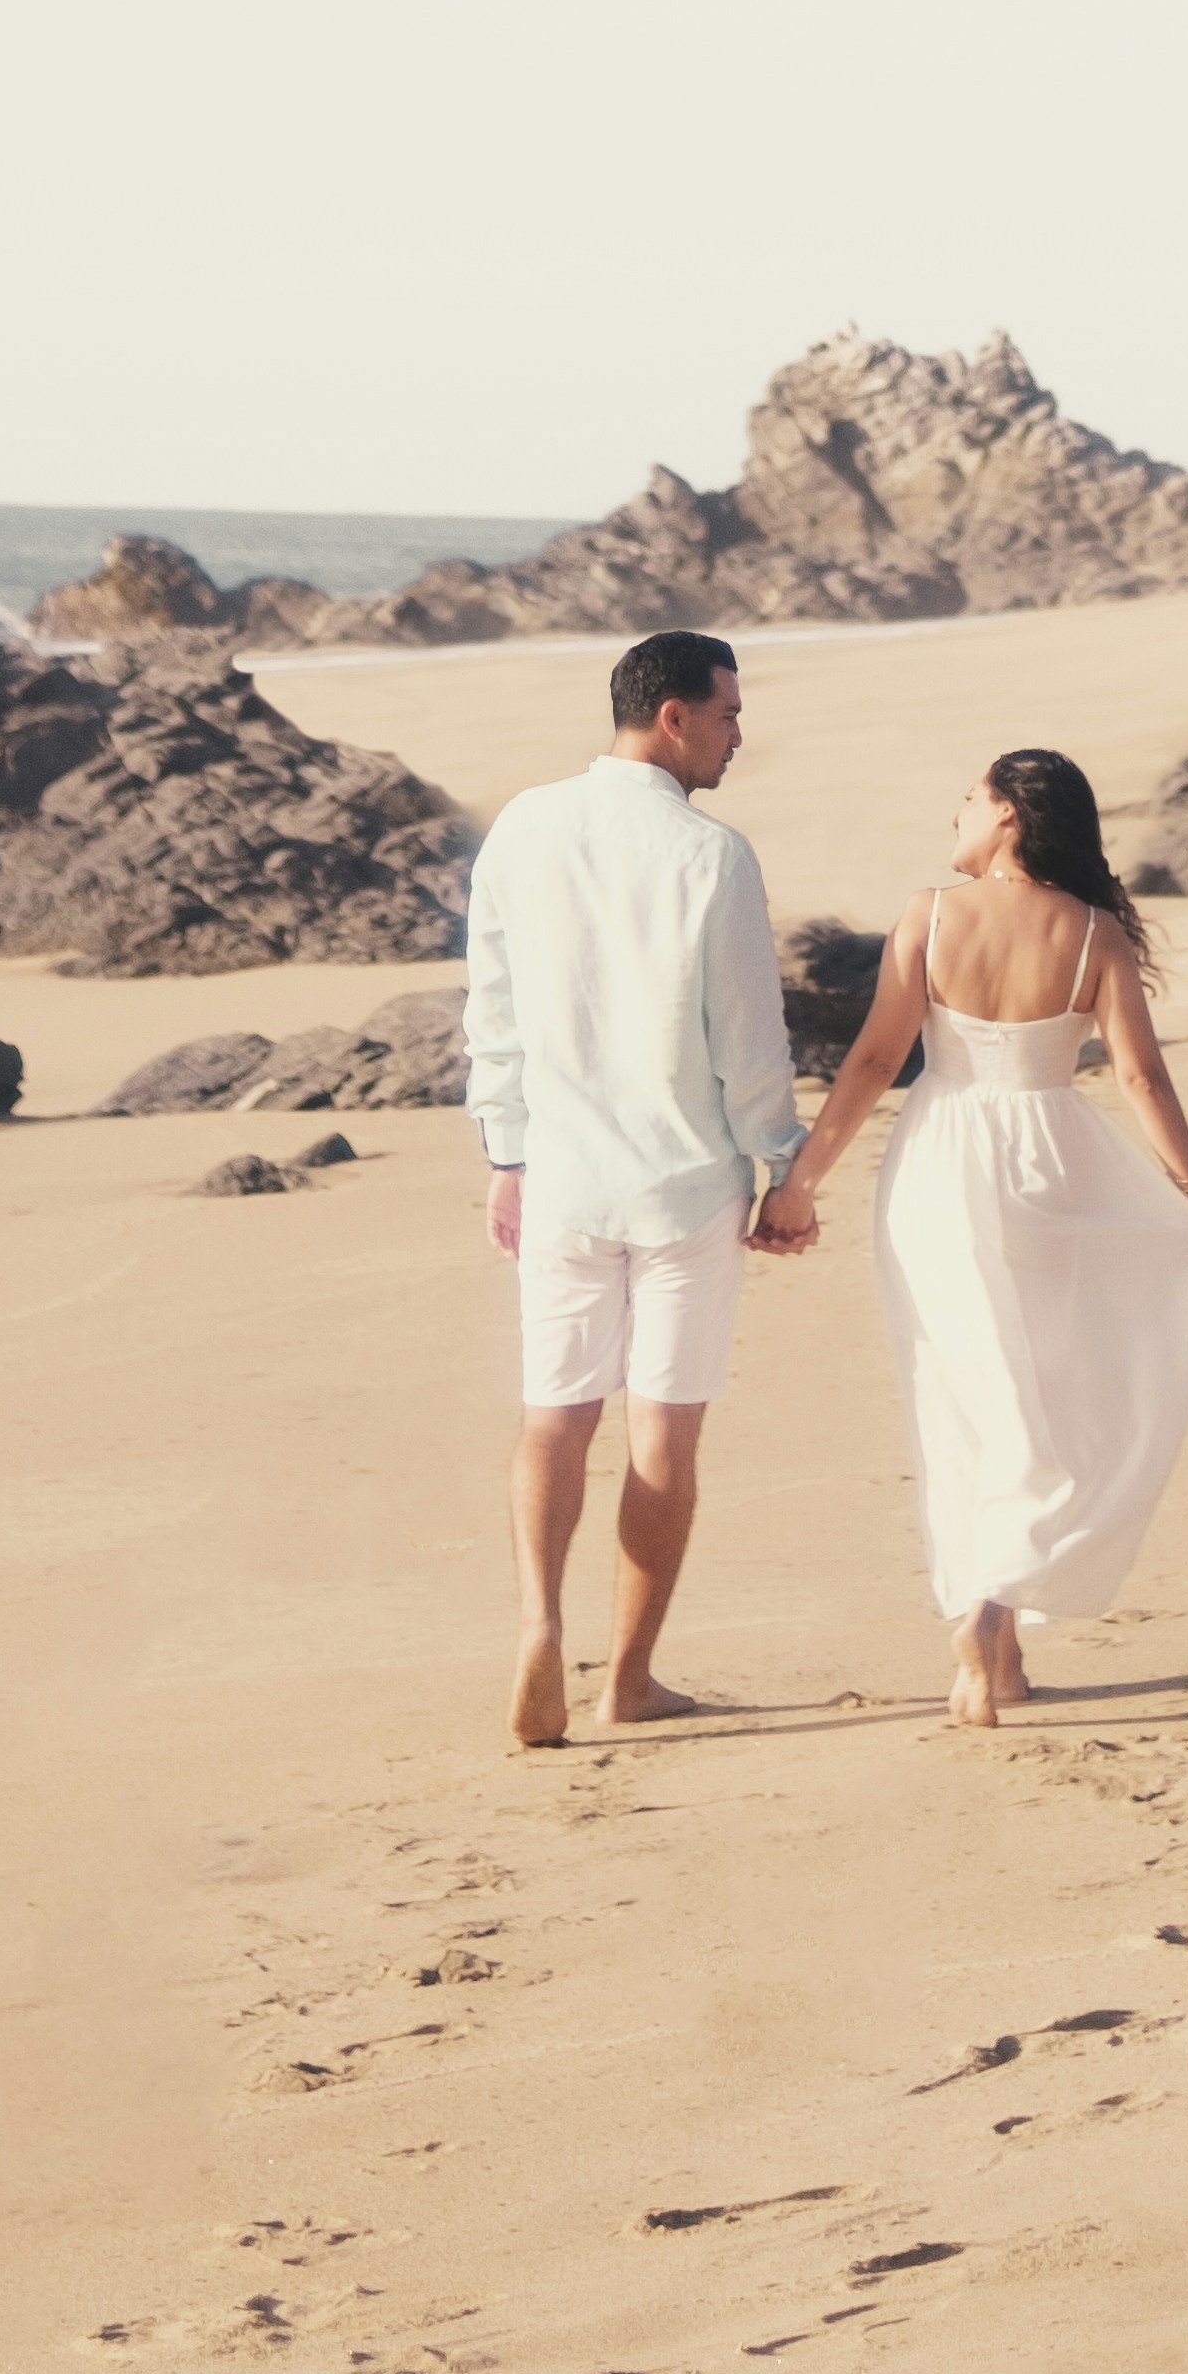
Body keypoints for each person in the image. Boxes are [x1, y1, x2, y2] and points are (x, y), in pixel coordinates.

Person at [766, 743, 1188, 1730]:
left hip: (938, 1163)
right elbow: (1142, 1079)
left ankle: (979, 1620)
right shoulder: (1093, 932)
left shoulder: (929, 915)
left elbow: (871, 1063)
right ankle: (1005, 1639)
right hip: (1054, 1164)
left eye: (970, 798)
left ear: (1008, 817)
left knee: (958, 1393)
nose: (958, 812)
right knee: (1044, 1392)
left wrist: (801, 1184)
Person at [462, 627, 807, 1750]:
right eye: (725, 715)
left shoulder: (522, 824)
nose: (735, 736)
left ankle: (533, 1625)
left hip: (560, 1179)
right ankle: (630, 1680)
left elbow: (494, 1009)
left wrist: (504, 1151)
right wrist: (780, 1167)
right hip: (682, 1190)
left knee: (551, 1418)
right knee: (662, 1439)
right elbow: (748, 1036)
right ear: (670, 715)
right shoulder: (712, 857)